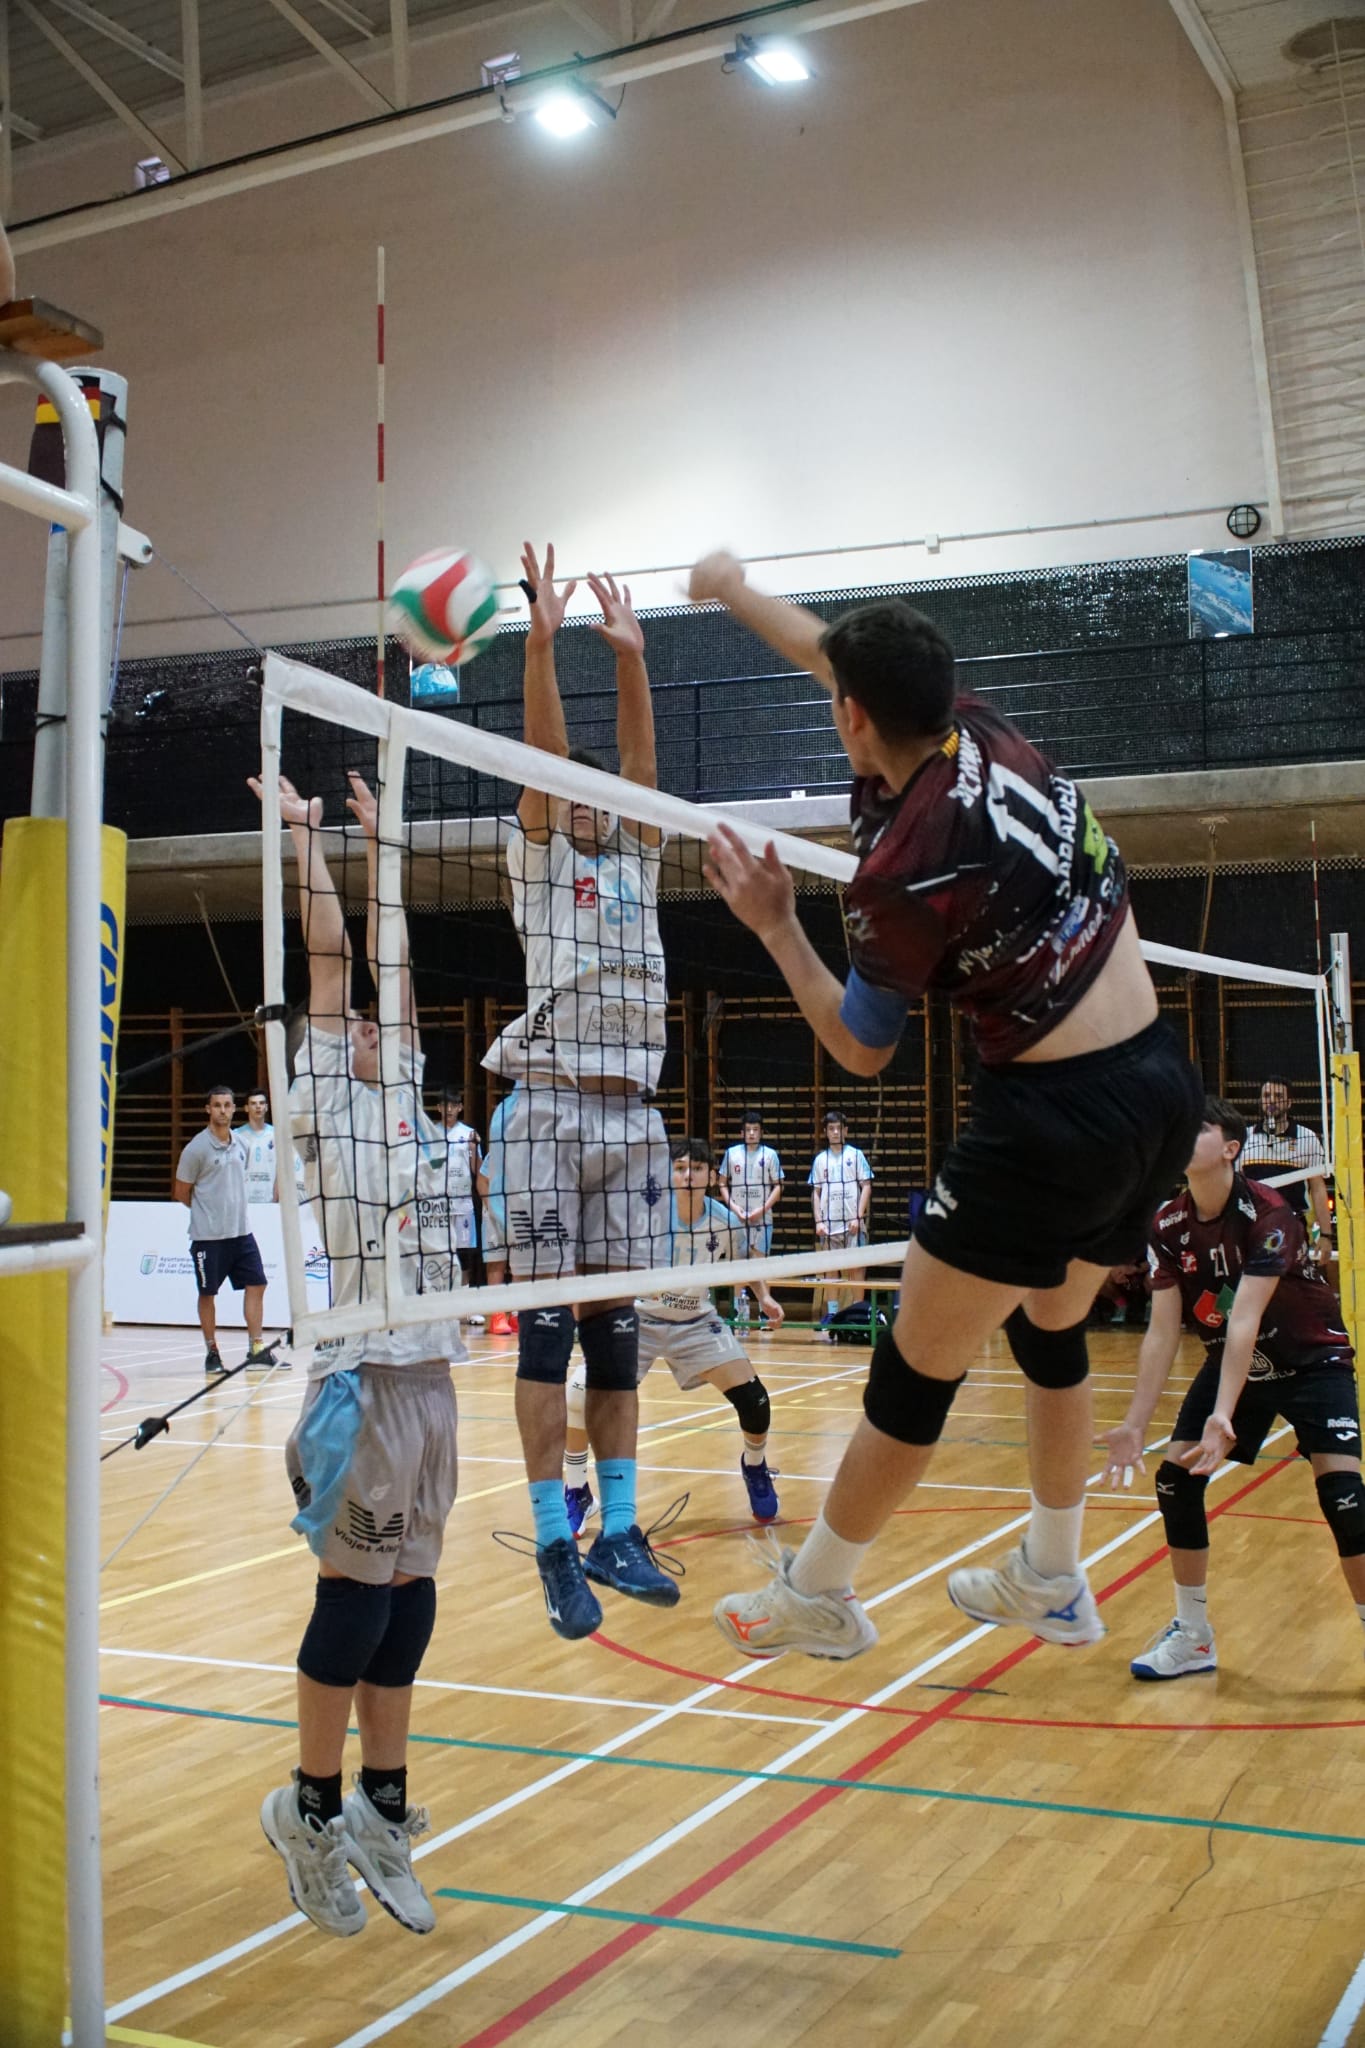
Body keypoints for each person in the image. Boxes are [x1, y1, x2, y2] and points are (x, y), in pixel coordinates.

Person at [691, 552, 1203, 1661]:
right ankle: (1053, 1575)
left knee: (912, 1369)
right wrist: (733, 590)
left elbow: (862, 1047)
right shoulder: (984, 731)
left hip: (1049, 1119)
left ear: (852, 716)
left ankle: (820, 1593)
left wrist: (775, 924)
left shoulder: (902, 869)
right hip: (1162, 1089)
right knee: (1052, 1326)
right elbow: (834, 655)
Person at [249, 768, 465, 1941]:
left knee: (410, 1606)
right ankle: (311, 1807)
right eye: (362, 1025)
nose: (376, 1026)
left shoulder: (409, 1097)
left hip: (432, 1383)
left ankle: (381, 1807)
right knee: (353, 1606)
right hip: (365, 1383)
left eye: (385, 1026)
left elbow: (396, 961)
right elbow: (334, 962)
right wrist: (308, 839)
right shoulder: (330, 1096)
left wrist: (390, 849)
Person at [480, 543, 677, 1639]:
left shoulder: (639, 855)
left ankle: (621, 1529)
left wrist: (632, 660)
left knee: (617, 1335)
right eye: (582, 795)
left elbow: (638, 767)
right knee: (547, 1334)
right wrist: (543, 647)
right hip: (550, 1107)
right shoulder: (543, 856)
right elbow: (549, 759)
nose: (598, 802)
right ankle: (556, 1540)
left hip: (632, 1114)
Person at [1101, 1098, 1364, 1680]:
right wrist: (1135, 1424)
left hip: (1312, 1361)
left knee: (1346, 1500)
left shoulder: (1270, 1215)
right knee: (1175, 1481)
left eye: (1196, 1127)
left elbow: (1244, 1318)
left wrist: (1223, 1413)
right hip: (1234, 1363)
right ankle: (1194, 1637)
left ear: (1230, 1148)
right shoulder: (1167, 1225)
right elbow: (1162, 1331)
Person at [563, 1137, 785, 1534]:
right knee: (578, 1394)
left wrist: (764, 1297)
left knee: (756, 1401)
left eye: (696, 1169)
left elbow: (746, 1261)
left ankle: (755, 1466)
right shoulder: (643, 1216)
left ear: (711, 1176)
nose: (687, 1176)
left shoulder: (724, 1221)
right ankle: (577, 1490)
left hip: (696, 1322)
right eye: (680, 1169)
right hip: (639, 1321)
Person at [173, 1085, 271, 1377]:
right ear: (208, 1109)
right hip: (209, 1238)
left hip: (241, 1233)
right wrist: (207, 1213)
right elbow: (181, 1192)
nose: (223, 1111)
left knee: (257, 1284)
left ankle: (256, 1348)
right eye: (217, 1105)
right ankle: (212, 1352)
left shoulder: (241, 1144)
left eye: (228, 1105)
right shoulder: (196, 1149)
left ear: (234, 1109)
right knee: (208, 1293)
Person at [1241, 1076, 1333, 1244]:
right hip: (1252, 1227)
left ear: (1289, 1103)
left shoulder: (1307, 1137)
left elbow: (1318, 1189)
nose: (1271, 1100)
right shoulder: (1245, 1137)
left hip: (1293, 1227)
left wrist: (1325, 1235)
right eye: (1266, 1095)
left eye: (1278, 1096)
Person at [808, 1107, 874, 1322]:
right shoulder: (820, 1160)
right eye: (831, 1129)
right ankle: (832, 1313)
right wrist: (818, 1221)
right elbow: (816, 1192)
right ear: (826, 1132)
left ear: (845, 1131)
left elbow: (866, 1186)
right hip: (829, 1224)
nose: (835, 1132)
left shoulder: (856, 1155)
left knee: (856, 1268)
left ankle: (858, 1312)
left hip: (852, 1224)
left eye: (839, 1128)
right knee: (831, 1269)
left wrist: (858, 1216)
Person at [434, 1087, 483, 1307]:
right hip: (437, 1206)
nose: (449, 1110)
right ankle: (441, 1301)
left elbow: (477, 1170)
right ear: (438, 1108)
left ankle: (465, 1304)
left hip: (463, 1204)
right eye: (445, 1105)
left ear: (460, 1107)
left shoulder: (469, 1134)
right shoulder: (431, 1134)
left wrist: (473, 1148)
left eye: (454, 1105)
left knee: (464, 1254)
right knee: (439, 1254)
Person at [719, 1111, 784, 1257]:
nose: (752, 1133)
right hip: (737, 1218)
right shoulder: (731, 1153)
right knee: (736, 1264)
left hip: (763, 1220)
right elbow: (722, 1183)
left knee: (760, 1265)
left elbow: (779, 1185)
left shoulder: (770, 1155)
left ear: (761, 1133)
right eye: (748, 1130)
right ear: (742, 1133)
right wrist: (734, 1209)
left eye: (755, 1129)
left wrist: (761, 1210)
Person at [237, 1088, 279, 1205]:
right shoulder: (237, 1136)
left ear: (267, 1107)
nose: (258, 1107)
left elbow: (282, 1168)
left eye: (261, 1103)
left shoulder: (276, 1134)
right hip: (244, 1201)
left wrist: (277, 1194)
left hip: (270, 1200)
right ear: (246, 1108)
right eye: (253, 1103)